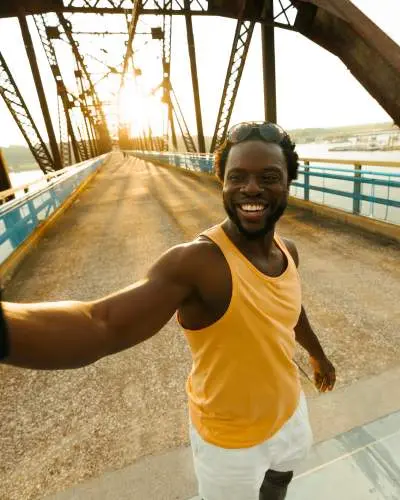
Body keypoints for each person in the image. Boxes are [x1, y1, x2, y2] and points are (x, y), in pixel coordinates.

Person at [0, 122, 336, 500]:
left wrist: (317, 354)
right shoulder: (197, 263)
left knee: (281, 475)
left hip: (289, 410)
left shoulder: (288, 251)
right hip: (230, 440)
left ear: (290, 180)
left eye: (268, 177)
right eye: (237, 177)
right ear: (221, 182)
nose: (252, 188)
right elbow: (100, 324)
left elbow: (291, 309)